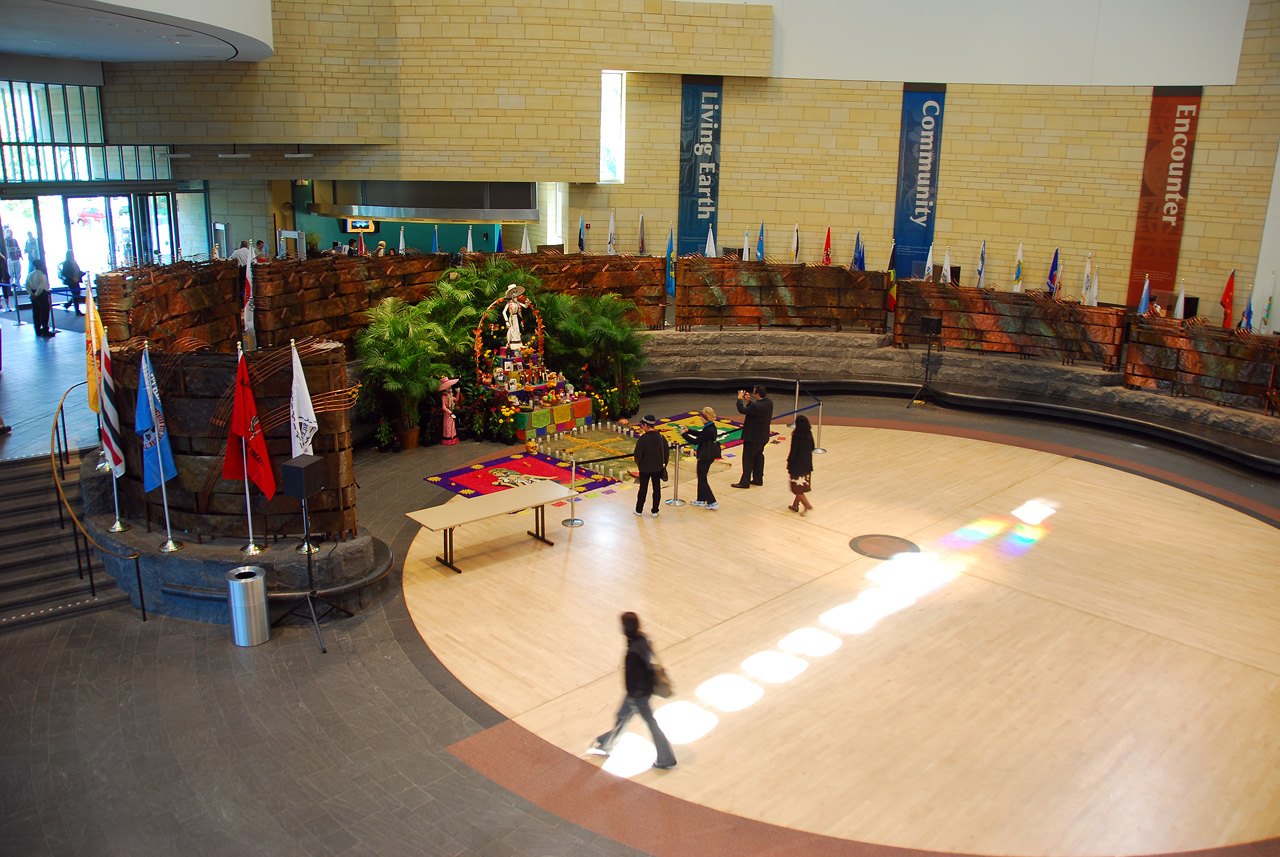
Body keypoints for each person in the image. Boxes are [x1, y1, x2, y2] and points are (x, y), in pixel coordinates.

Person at [589, 611, 677, 770]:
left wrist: (634, 695)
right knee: (622, 717)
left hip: (637, 695)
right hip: (640, 692)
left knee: (649, 723)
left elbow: (634, 676)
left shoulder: (633, 652)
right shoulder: (641, 638)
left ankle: (666, 758)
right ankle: (605, 744)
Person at [732, 384, 773, 488]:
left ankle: (745, 482)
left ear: (758, 394)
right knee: (759, 457)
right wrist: (749, 402)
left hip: (753, 437)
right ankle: (758, 479)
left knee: (748, 459)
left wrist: (739, 399)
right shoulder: (769, 402)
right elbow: (755, 411)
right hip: (763, 436)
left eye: (754, 393)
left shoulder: (756, 406)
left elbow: (742, 410)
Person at [682, 406, 720, 510]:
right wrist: (688, 430)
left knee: (702, 478)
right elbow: (700, 434)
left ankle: (712, 501)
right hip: (708, 455)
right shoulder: (710, 427)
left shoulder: (709, 430)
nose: (700, 418)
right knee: (701, 477)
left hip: (705, 456)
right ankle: (701, 499)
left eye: (701, 416)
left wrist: (683, 435)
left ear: (705, 417)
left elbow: (696, 441)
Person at [632, 414, 669, 518]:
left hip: (644, 469)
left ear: (645, 425)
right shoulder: (661, 438)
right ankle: (655, 510)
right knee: (656, 489)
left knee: (643, 489)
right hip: (658, 468)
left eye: (642, 425)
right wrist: (663, 464)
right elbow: (666, 454)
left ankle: (639, 510)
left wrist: (640, 464)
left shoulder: (643, 439)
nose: (641, 427)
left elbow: (637, 455)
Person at [786, 414, 815, 515]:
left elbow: (793, 451)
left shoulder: (796, 435)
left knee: (796, 489)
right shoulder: (809, 433)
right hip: (807, 464)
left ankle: (807, 505)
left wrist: (789, 462)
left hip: (797, 466)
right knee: (800, 486)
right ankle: (795, 506)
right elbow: (812, 447)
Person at [26, 261, 53, 337]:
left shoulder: (30, 275)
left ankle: (37, 330)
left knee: (36, 313)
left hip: (33, 294)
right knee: (44, 313)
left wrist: (31, 294)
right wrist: (37, 294)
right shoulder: (42, 275)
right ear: (41, 266)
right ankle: (45, 330)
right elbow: (41, 287)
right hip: (42, 295)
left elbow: (27, 286)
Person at [502, 283, 525, 350]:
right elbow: (504, 312)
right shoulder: (509, 303)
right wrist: (506, 321)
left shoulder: (517, 303)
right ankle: (509, 343)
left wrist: (526, 303)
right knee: (511, 329)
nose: (515, 294)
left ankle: (517, 342)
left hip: (515, 318)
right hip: (511, 318)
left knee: (516, 330)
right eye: (513, 292)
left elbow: (525, 306)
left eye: (515, 292)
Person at [439, 377, 460, 445]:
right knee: (448, 426)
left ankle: (453, 439)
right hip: (448, 413)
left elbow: (456, 399)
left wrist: (458, 393)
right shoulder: (444, 396)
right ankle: (448, 439)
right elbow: (443, 407)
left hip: (451, 411)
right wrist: (450, 413)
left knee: (452, 426)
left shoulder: (450, 395)